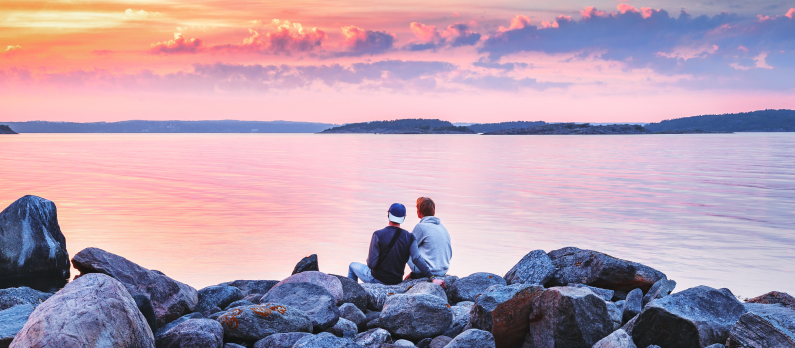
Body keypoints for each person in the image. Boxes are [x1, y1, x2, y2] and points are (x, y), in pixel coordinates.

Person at [348, 203, 446, 287]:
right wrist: (432, 278)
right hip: (396, 281)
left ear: (388, 215)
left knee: (352, 266)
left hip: (377, 279)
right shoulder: (410, 237)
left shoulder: (378, 234)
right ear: (403, 218)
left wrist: (369, 260)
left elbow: (371, 264)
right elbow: (417, 258)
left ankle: (352, 294)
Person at [406, 197, 452, 279]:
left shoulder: (420, 227)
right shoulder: (442, 227)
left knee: (405, 248)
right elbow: (450, 253)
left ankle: (394, 277)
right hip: (443, 270)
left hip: (429, 271)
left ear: (419, 211)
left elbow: (408, 248)